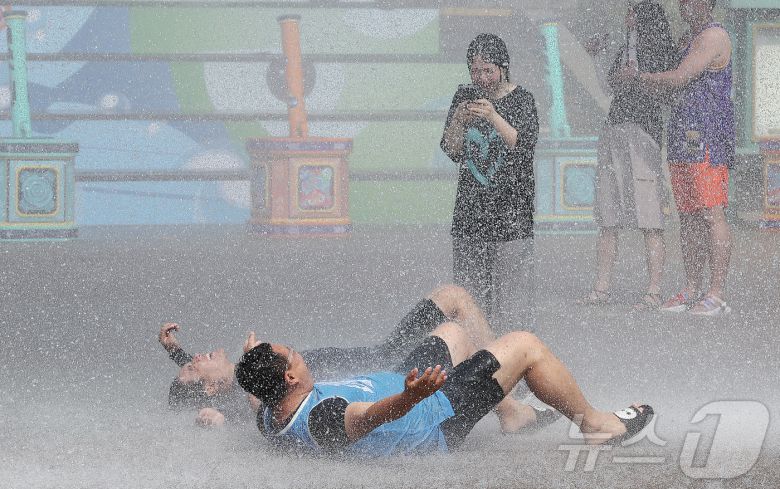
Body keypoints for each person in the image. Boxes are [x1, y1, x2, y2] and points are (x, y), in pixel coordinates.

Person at [159, 284, 558, 431]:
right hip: (389, 362)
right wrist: (210, 420)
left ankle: (507, 402)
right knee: (454, 302)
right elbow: (222, 410)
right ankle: (511, 398)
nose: (195, 356)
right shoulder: (254, 396)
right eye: (193, 366)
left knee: (453, 303)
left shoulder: (253, 369)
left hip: (381, 354)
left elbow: (207, 386)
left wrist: (175, 354)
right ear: (212, 387)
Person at [235, 322, 654, 457]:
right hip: (434, 414)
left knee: (453, 331)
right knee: (525, 345)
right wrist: (411, 397)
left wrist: (253, 362)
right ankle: (596, 425)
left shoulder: (270, 411)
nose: (301, 355)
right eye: (293, 355)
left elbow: (258, 393)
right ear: (290, 378)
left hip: (406, 384)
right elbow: (370, 417)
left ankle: (511, 414)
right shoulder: (323, 419)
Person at [623, 0, 734, 315]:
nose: (685, 4)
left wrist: (640, 78)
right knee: (687, 216)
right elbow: (668, 79)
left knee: (712, 214)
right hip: (681, 136)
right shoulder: (687, 38)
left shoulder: (713, 36)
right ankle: (691, 288)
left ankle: (716, 294)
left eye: (692, 0)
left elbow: (681, 77)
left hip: (709, 136)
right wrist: (632, 33)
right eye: (682, 0)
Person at [579, 1, 677, 310]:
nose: (628, 16)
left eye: (634, 11)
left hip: (643, 133)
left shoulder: (660, 49)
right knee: (608, 214)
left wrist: (639, 77)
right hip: (615, 128)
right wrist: (597, 59)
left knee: (650, 216)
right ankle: (602, 286)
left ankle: (653, 290)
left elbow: (669, 91)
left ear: (646, 15)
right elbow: (609, 88)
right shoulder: (625, 47)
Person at [440, 33, 539, 333]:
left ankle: (513, 365)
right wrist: (458, 121)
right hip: (470, 216)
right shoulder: (463, 97)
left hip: (512, 215)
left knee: (513, 304)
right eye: (475, 70)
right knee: (469, 303)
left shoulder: (522, 99)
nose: (481, 77)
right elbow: (452, 150)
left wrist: (493, 116)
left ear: (503, 68)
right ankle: (473, 361)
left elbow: (523, 146)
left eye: (488, 70)